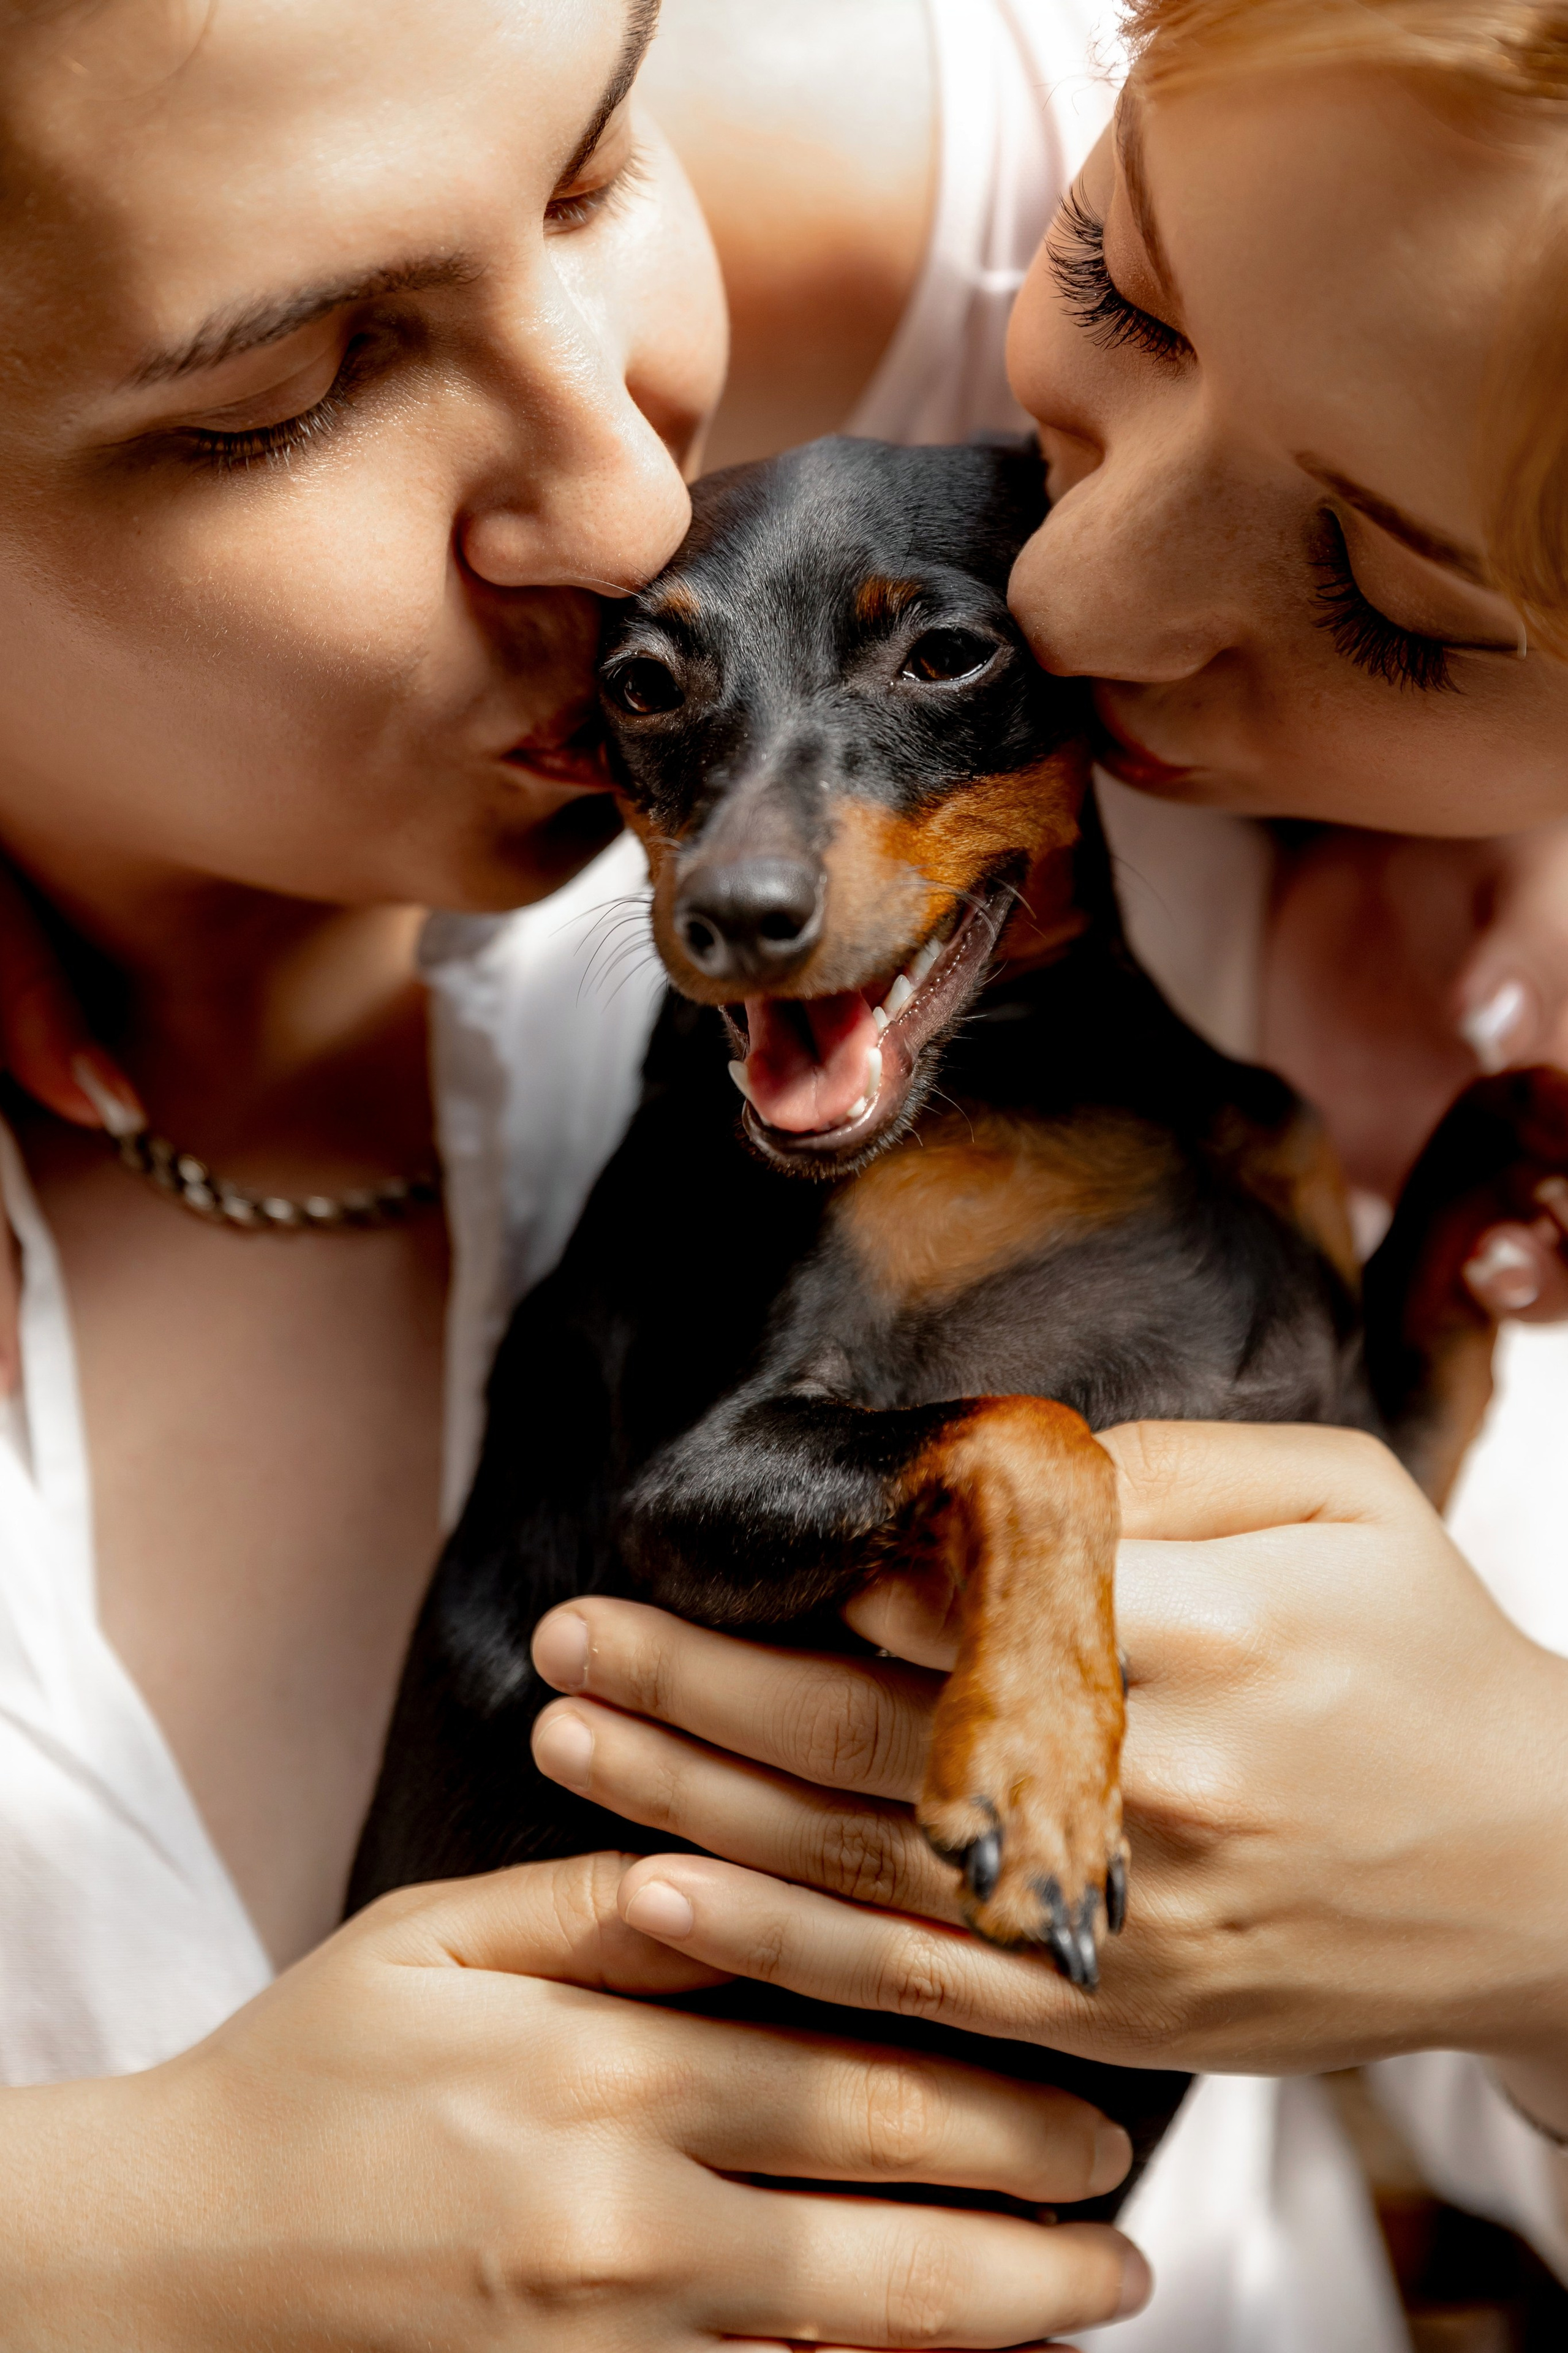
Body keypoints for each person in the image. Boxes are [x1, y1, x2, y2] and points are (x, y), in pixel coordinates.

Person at [0, 0, 1563, 2347]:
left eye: (604, 169)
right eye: (283, 393)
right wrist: (97, 2230)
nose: (642, 502)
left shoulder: (1160, 774)